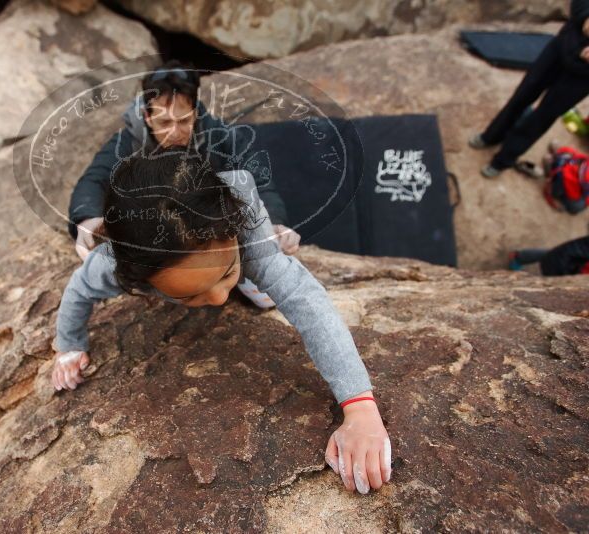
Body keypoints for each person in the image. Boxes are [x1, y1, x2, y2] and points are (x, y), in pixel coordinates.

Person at [50, 153, 392, 495]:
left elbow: (306, 299)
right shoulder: (110, 266)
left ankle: (248, 277)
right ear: (138, 280)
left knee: (265, 268)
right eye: (190, 295)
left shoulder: (242, 220)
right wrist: (69, 344)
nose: (217, 300)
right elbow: (79, 289)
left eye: (226, 273)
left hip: (241, 224)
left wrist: (359, 405)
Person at [67, 60, 300, 308]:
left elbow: (259, 183)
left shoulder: (222, 136)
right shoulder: (127, 143)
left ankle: (242, 272)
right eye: (165, 123)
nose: (175, 132)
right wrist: (86, 218)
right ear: (147, 116)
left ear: (195, 112)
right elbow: (96, 178)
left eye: (184, 121)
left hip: (215, 232)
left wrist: (274, 224)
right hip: (160, 237)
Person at [469, 0, 589, 178]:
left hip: (583, 77)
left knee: (544, 115)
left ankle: (503, 159)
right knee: (524, 93)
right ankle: (492, 135)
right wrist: (586, 16)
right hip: (564, 45)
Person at [509, 235, 589, 275]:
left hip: (566, 256)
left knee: (556, 253)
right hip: (559, 267)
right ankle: (518, 258)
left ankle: (518, 257)